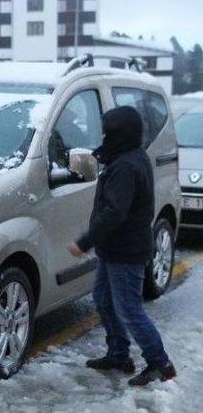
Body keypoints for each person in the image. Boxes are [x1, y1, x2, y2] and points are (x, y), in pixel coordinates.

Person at [69, 105, 176, 387]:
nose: (104, 135)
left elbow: (115, 212)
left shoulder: (126, 166)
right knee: (103, 299)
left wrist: (85, 242)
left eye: (108, 131)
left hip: (126, 250)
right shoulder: (129, 156)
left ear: (121, 133)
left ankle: (160, 363)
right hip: (114, 248)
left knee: (129, 309)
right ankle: (118, 354)